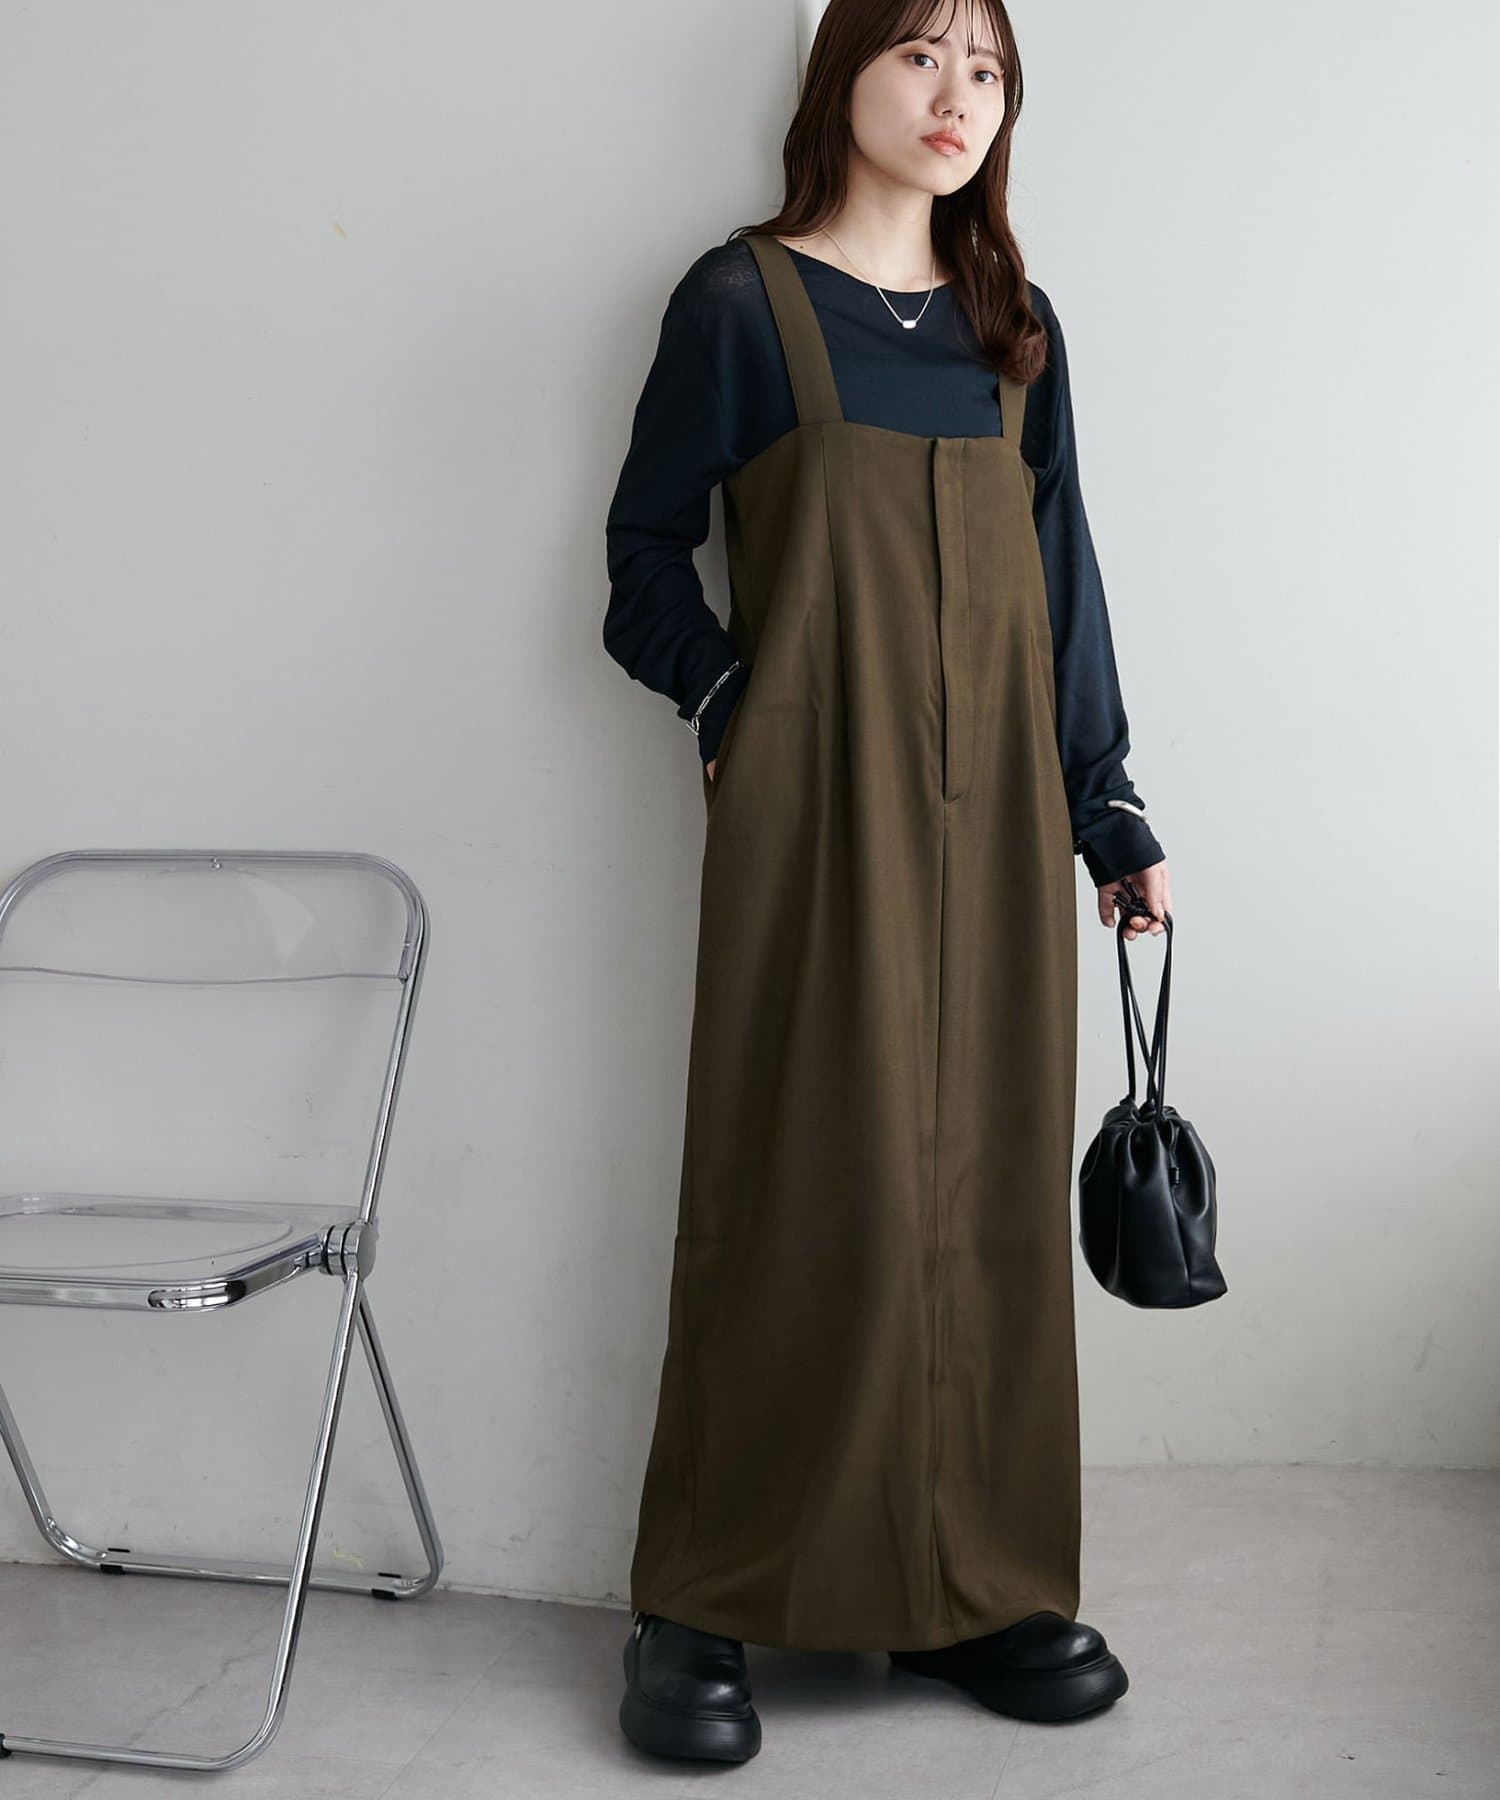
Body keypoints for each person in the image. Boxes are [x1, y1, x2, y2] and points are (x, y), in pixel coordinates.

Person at [603, 0, 1172, 1764]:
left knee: (986, 1182)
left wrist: (1109, 809)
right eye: (922, 54)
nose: (956, 96)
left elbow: (1063, 581)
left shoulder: (1018, 326)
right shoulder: (742, 304)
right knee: (795, 1170)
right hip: (813, 803)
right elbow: (639, 556)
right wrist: (726, 696)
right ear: (843, 69)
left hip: (1001, 815)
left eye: (987, 70)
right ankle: (703, 1600)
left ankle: (973, 1586)